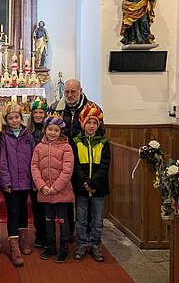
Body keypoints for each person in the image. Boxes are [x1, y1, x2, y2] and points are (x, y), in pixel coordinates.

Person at [49, 79, 104, 241]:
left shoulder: (92, 109)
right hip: (62, 160)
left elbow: (101, 134)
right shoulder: (56, 108)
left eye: (73, 92)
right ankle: (70, 231)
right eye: (66, 92)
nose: (69, 95)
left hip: (85, 161)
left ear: (81, 90)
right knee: (66, 197)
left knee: (84, 196)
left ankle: (87, 234)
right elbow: (50, 132)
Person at [31, 115, 74, 263]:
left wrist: (55, 187)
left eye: (56, 130)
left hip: (61, 190)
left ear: (60, 131)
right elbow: (34, 166)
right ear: (45, 130)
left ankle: (64, 247)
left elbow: (67, 170)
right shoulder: (39, 147)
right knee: (48, 219)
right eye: (50, 129)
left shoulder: (66, 147)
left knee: (62, 219)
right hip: (45, 191)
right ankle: (50, 246)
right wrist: (41, 185)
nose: (52, 133)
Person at [71, 103, 110, 262]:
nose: (91, 126)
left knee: (97, 219)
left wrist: (93, 183)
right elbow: (75, 165)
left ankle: (95, 244)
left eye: (94, 123)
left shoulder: (104, 142)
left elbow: (105, 165)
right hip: (81, 187)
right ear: (83, 124)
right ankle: (81, 243)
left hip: (98, 187)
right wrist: (84, 183)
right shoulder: (75, 141)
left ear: (98, 124)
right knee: (80, 218)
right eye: (88, 122)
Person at [0, 100, 35, 266]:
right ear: (6, 120)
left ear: (21, 118)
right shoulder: (4, 137)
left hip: (26, 181)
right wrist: (5, 180)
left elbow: (34, 159)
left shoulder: (28, 136)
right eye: (10, 118)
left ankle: (23, 240)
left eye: (16, 117)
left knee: (23, 211)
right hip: (11, 183)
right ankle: (14, 248)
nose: (14, 120)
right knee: (13, 212)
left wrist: (34, 178)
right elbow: (3, 161)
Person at [27, 97, 48, 248]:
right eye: (36, 112)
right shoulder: (29, 132)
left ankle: (49, 235)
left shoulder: (51, 130)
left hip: (48, 172)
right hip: (34, 173)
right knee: (36, 206)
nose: (38, 115)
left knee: (47, 207)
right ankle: (39, 234)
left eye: (41, 112)